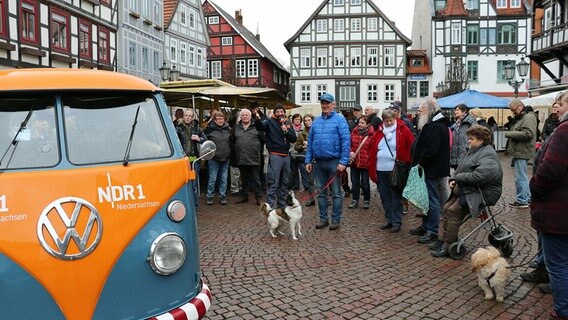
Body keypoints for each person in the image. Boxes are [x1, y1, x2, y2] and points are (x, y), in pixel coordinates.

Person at [431, 126, 503, 257]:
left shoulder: (488, 154)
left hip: (483, 193)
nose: (468, 141)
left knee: (452, 211)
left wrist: (458, 178)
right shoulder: (473, 151)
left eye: (471, 139)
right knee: (446, 208)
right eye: (468, 138)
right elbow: (461, 168)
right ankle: (444, 240)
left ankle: (448, 246)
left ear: (481, 140)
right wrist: (453, 178)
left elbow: (481, 176)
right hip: (469, 189)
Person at [530, 90, 568, 320]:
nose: (557, 107)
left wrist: (536, 188)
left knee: (559, 265)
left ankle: (563, 311)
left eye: (561, 103)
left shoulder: (564, 131)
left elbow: (550, 169)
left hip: (558, 210)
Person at [306, 93, 351, 230]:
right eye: (323, 103)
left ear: (333, 104)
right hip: (318, 162)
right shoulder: (317, 121)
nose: (325, 105)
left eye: (327, 103)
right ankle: (323, 218)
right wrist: (308, 160)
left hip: (334, 161)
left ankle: (335, 220)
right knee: (320, 192)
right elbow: (310, 143)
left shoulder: (339, 120)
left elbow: (346, 141)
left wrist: (343, 162)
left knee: (337, 193)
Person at [409, 98, 451, 244]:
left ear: (430, 110)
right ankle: (426, 225)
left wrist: (421, 162)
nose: (420, 112)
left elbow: (431, 150)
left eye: (422, 109)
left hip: (431, 168)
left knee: (432, 200)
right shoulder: (434, 124)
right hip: (431, 168)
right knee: (427, 199)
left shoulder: (436, 126)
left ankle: (432, 230)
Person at [368, 110, 414, 233]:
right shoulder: (379, 131)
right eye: (386, 121)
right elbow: (373, 147)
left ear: (395, 119)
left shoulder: (402, 129)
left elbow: (411, 145)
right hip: (380, 169)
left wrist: (407, 161)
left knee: (395, 196)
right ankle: (389, 219)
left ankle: (396, 221)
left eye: (390, 120)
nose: (388, 123)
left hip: (395, 169)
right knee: (384, 196)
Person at [255, 103, 297, 209]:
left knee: (284, 181)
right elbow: (260, 127)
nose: (280, 114)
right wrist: (258, 120)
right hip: (275, 156)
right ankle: (270, 206)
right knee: (273, 181)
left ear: (284, 113)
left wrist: (286, 131)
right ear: (274, 113)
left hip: (286, 156)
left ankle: (281, 205)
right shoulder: (269, 122)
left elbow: (293, 138)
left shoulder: (287, 123)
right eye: (277, 112)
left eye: (281, 111)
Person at [505, 98, 538, 209]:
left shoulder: (528, 117)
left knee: (520, 177)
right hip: (520, 150)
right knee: (520, 176)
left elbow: (528, 134)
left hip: (522, 151)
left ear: (520, 106)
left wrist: (510, 133)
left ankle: (522, 200)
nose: (513, 112)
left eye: (513, 110)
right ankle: (526, 198)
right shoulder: (524, 116)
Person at [176, 109, 206, 211]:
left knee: (194, 184)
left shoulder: (196, 128)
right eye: (186, 115)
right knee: (183, 183)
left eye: (190, 116)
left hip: (194, 160)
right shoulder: (178, 127)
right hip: (183, 160)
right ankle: (185, 205)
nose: (188, 117)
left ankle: (195, 206)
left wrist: (199, 139)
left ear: (192, 117)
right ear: (184, 116)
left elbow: (205, 139)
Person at [232, 109, 264, 205]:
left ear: (250, 117)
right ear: (240, 117)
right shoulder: (236, 128)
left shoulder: (256, 127)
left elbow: (263, 139)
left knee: (256, 179)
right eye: (243, 115)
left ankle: (258, 197)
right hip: (241, 157)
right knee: (243, 179)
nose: (245, 116)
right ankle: (244, 196)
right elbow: (232, 140)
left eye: (247, 115)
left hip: (254, 157)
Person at [204, 111, 231, 205]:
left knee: (224, 179)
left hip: (225, 157)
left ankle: (222, 196)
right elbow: (203, 140)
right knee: (213, 178)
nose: (220, 120)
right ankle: (210, 196)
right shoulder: (210, 129)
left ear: (224, 119)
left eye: (221, 118)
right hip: (214, 158)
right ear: (214, 120)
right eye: (218, 119)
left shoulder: (228, 129)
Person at [348, 115, 375, 210]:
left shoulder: (371, 135)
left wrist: (369, 158)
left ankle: (366, 199)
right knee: (354, 182)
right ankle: (355, 200)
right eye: (359, 122)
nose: (360, 124)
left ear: (367, 124)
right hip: (354, 162)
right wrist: (350, 151)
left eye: (362, 123)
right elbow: (349, 144)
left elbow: (373, 149)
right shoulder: (354, 132)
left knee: (365, 183)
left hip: (365, 162)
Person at [294, 114, 316, 206]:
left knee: (321, 180)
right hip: (308, 158)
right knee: (310, 180)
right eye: (305, 120)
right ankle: (311, 198)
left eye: (309, 120)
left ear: (312, 120)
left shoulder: (318, 131)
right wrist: (302, 146)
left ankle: (325, 198)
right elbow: (296, 146)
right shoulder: (301, 134)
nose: (307, 122)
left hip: (319, 158)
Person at [450, 104, 477, 169]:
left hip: (466, 156)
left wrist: (469, 148)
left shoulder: (471, 122)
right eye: (455, 110)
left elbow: (476, 136)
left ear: (464, 111)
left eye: (457, 110)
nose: (455, 112)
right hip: (456, 158)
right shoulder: (455, 124)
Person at [288, 113, 304, 191]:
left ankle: (305, 185)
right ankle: (296, 184)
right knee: (294, 170)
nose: (297, 121)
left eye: (299, 119)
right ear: (293, 120)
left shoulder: (303, 129)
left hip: (301, 152)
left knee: (303, 169)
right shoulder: (290, 129)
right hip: (292, 151)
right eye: (296, 119)